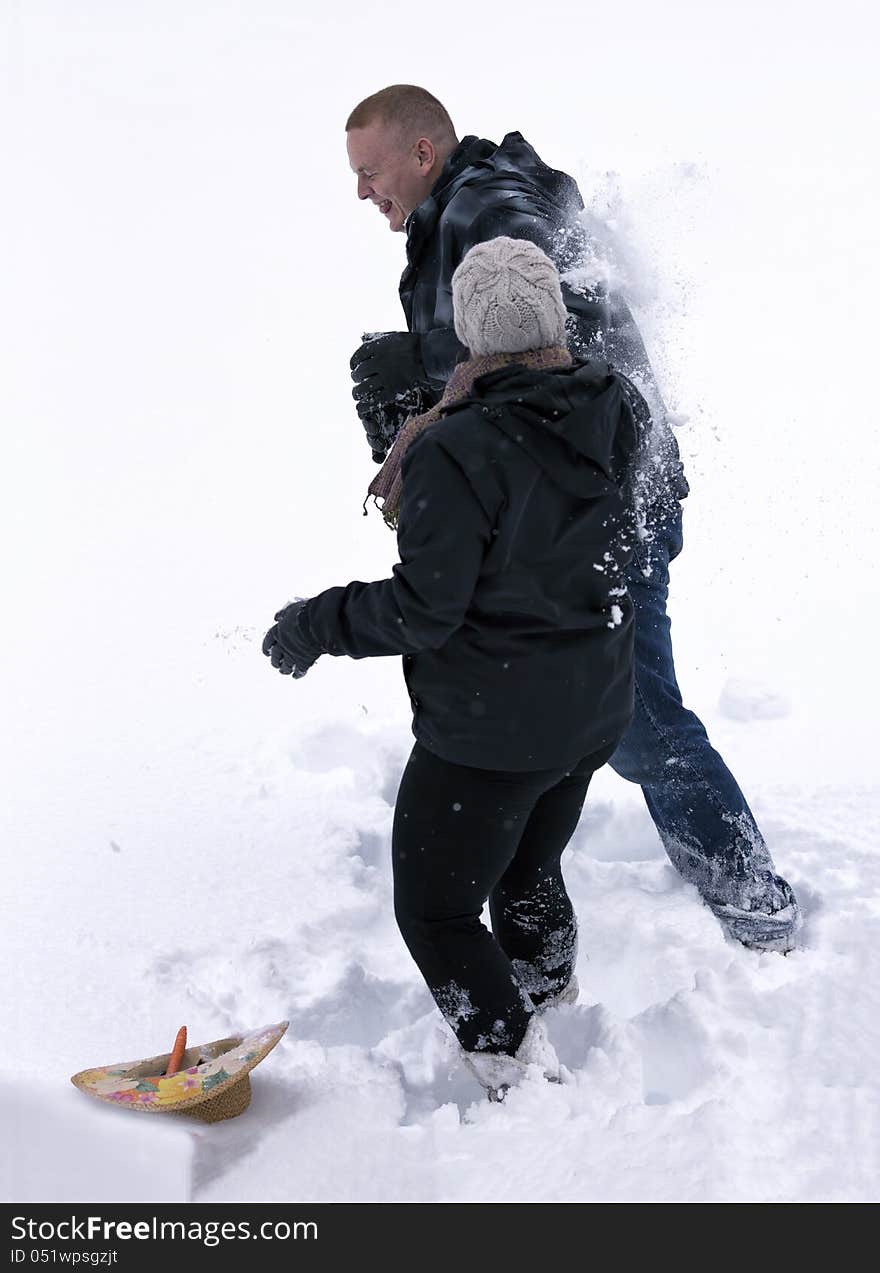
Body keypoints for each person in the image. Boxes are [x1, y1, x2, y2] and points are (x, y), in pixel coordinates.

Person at [344, 84, 801, 953]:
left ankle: (754, 899)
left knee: (640, 717)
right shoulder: (473, 202)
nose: (363, 192)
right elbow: (509, 360)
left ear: (422, 155)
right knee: (598, 701)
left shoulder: (491, 208)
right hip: (589, 496)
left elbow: (549, 339)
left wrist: (420, 383)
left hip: (605, 505)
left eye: (370, 172)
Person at [264, 237, 641, 1096]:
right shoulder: (618, 407)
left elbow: (425, 609)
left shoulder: (456, 448)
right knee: (527, 865)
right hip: (590, 711)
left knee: (434, 908)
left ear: (470, 334)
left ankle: (510, 1058)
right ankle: (549, 995)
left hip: (490, 732)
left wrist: (315, 624)